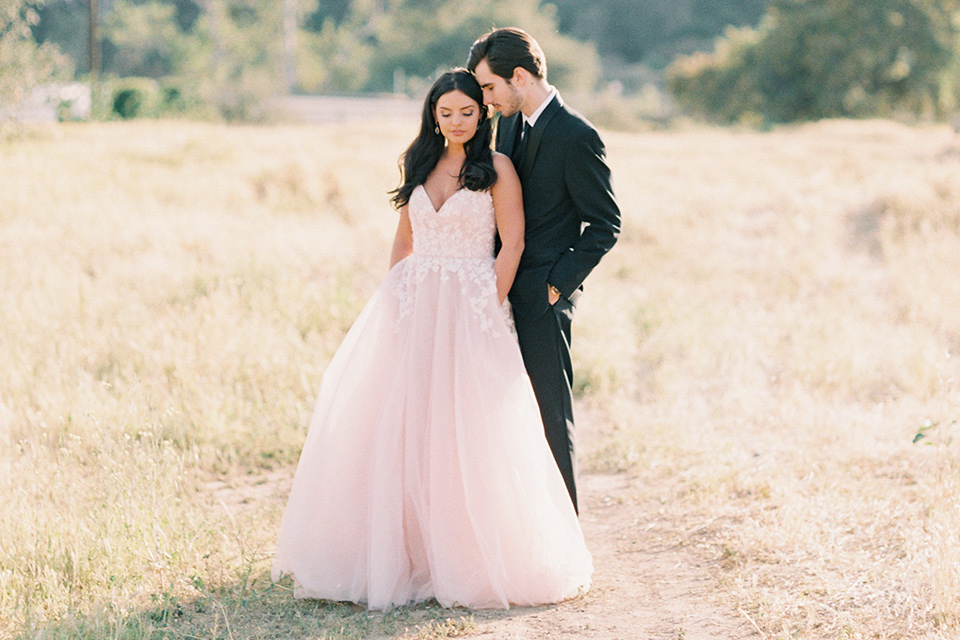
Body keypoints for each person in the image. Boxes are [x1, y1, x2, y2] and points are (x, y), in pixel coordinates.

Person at [271, 69, 592, 610]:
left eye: (468, 111)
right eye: (446, 113)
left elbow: (511, 244)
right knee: (406, 421)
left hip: (472, 304)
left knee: (468, 425)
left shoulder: (498, 168)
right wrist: (395, 304)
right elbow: (403, 241)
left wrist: (487, 306)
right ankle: (407, 554)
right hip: (417, 303)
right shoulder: (418, 163)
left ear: (482, 114)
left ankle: (469, 555)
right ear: (433, 116)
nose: (458, 121)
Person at [467, 28, 621, 514]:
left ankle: (564, 535)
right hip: (495, 290)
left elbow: (605, 224)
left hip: (544, 299)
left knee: (550, 416)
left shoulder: (578, 135)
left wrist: (558, 285)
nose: (485, 101)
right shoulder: (507, 124)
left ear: (519, 76)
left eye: (489, 88)